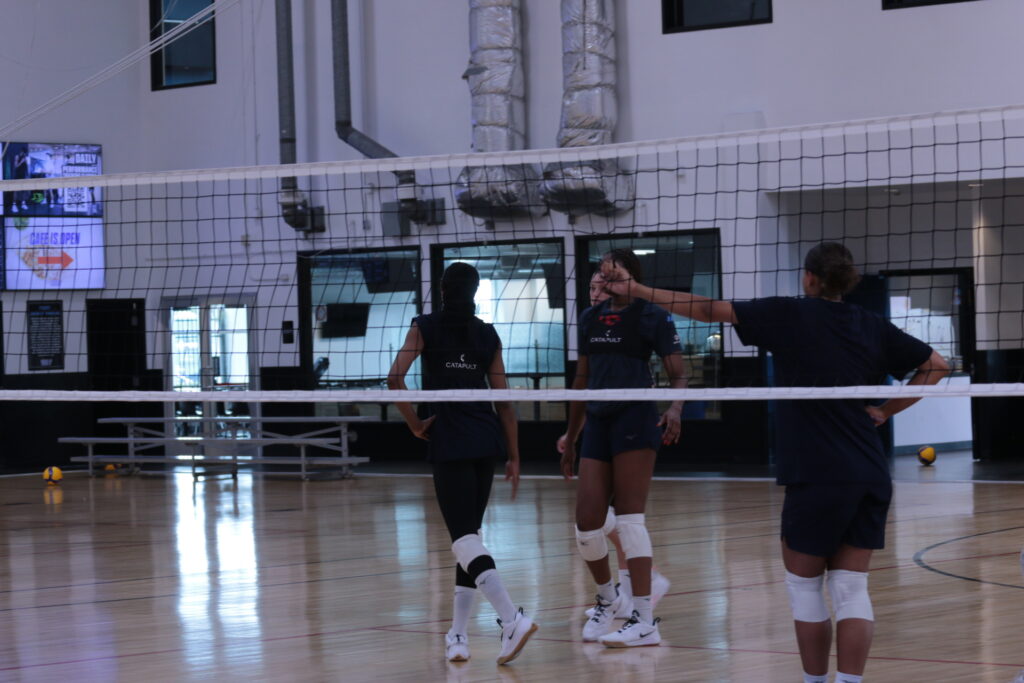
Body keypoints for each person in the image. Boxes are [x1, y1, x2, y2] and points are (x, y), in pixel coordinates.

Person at [603, 242, 950, 682]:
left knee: (806, 590)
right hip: (868, 470)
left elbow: (710, 310)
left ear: (809, 278)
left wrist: (637, 288)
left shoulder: (788, 313)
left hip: (815, 471)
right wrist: (884, 410)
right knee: (850, 588)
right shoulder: (871, 324)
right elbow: (936, 366)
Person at [387, 262, 538, 666]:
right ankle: (458, 634)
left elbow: (394, 379)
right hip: (485, 440)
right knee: (469, 537)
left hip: (450, 438)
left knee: (463, 539)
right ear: (475, 292)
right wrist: (515, 454)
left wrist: (416, 424)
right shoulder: (487, 334)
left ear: (441, 289)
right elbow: (504, 401)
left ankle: (511, 617)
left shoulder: (424, 326)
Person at [562, 249, 686, 648]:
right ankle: (608, 598)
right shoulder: (589, 318)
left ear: (632, 276)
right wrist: (572, 435)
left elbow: (678, 374)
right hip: (597, 421)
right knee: (587, 522)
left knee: (630, 521)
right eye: (602, 273)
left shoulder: (654, 315)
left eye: (614, 273)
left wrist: (675, 408)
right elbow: (581, 381)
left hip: (635, 419)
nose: (606, 279)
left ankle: (646, 621)